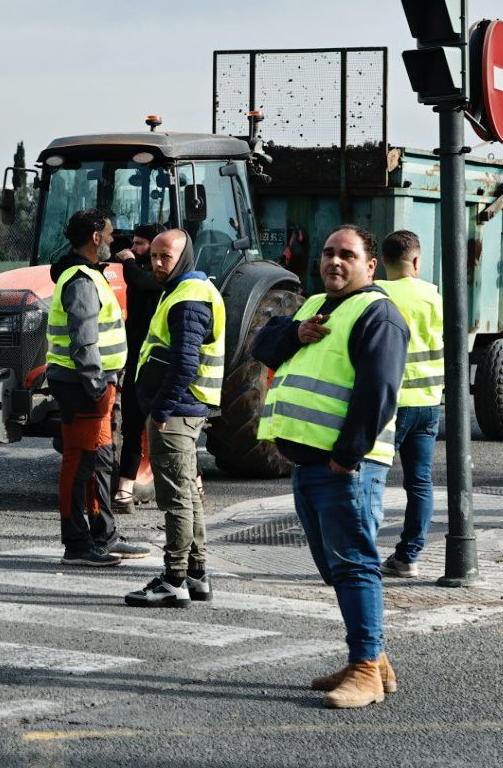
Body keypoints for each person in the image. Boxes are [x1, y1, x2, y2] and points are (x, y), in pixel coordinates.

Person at [253, 225, 408, 709]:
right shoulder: (312, 306)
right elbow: (262, 346)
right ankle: (373, 659)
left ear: (369, 265)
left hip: (344, 467)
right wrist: (295, 332)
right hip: (310, 464)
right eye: (327, 253)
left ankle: (364, 669)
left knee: (354, 564)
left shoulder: (377, 313)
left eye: (346, 255)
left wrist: (347, 455)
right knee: (335, 566)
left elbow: (377, 392)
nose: (334, 262)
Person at [125, 229, 225, 609]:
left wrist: (162, 409)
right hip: (185, 407)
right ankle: (197, 575)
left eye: (165, 257)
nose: (156, 264)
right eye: (153, 257)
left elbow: (185, 362)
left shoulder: (188, 299)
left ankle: (174, 579)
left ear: (184, 258)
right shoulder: (184, 292)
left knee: (176, 499)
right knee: (189, 494)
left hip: (178, 410)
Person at [47, 208, 151, 567]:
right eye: (107, 235)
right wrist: (97, 386)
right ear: (94, 237)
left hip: (95, 385)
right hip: (84, 387)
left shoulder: (88, 275)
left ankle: (103, 534)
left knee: (99, 460)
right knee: (80, 464)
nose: (111, 240)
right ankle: (77, 544)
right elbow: (83, 341)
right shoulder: (80, 280)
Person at [374, 230, 445, 577]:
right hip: (429, 401)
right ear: (416, 261)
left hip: (390, 403)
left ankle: (361, 555)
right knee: (420, 482)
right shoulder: (432, 294)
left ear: (381, 263)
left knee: (371, 478)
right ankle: (408, 557)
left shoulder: (377, 294)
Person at [111, 224, 161, 511]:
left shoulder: (162, 277)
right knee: (131, 428)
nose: (134, 248)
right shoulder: (140, 273)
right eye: (134, 243)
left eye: (141, 244)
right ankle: (124, 492)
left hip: (159, 366)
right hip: (136, 361)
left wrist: (128, 260)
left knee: (170, 433)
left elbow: (144, 283)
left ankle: (196, 487)